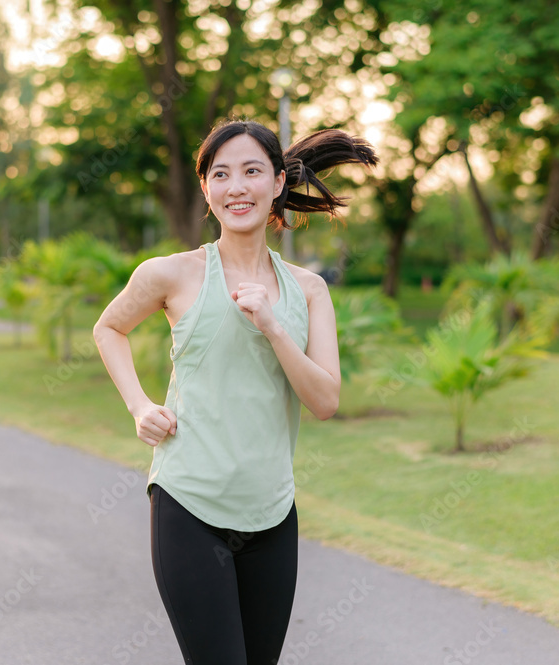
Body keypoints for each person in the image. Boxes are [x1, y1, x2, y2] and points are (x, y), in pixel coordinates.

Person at [92, 118, 377, 664]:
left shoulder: (309, 290)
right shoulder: (171, 274)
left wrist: (272, 325)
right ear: (206, 189)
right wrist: (139, 405)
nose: (235, 187)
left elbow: (325, 401)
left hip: (271, 511)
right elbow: (109, 329)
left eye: (251, 171)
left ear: (276, 182)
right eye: (220, 174)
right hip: (189, 503)